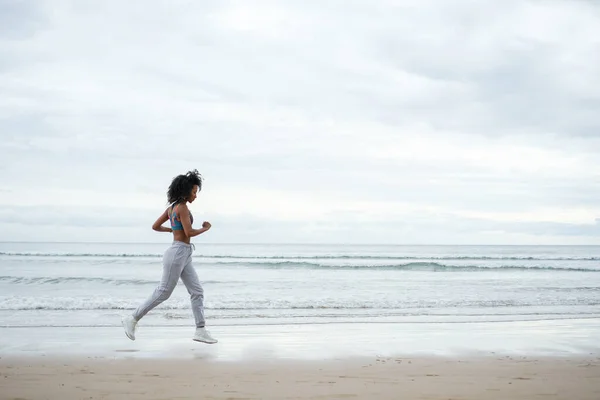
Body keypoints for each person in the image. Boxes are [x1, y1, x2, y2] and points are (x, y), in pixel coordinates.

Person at [121, 169, 217, 344]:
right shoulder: (183, 208)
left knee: (197, 291)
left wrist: (174, 230)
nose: (195, 196)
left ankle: (201, 330)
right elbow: (189, 232)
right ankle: (132, 318)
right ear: (185, 190)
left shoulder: (172, 208)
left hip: (183, 253)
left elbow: (156, 226)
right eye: (194, 192)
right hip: (178, 252)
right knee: (164, 292)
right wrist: (206, 228)